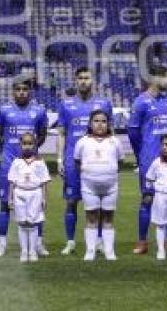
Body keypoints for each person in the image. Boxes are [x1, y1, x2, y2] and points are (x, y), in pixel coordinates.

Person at [55, 67, 113, 255]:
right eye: (80, 78)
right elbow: (62, 134)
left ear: (92, 80)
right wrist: (59, 159)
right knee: (71, 201)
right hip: (73, 162)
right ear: (75, 80)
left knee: (99, 203)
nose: (83, 81)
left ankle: (99, 241)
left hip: (98, 161)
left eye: (86, 78)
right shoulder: (66, 104)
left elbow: (110, 133)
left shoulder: (104, 104)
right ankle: (70, 242)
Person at [0, 80, 48, 257]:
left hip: (32, 164)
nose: (22, 92)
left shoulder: (39, 111)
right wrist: (10, 149)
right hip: (9, 162)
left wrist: (31, 152)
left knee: (37, 206)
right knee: (4, 203)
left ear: (30, 92)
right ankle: (2, 244)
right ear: (13, 91)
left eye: (25, 89)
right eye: (18, 89)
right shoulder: (3, 110)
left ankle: (38, 244)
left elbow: (42, 135)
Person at [128, 65, 167, 255]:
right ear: (155, 78)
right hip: (149, 158)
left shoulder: (166, 102)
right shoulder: (140, 102)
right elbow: (132, 132)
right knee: (148, 198)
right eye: (166, 78)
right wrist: (142, 154)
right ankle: (142, 241)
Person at [73, 109, 124, 261]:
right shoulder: (82, 141)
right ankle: (90, 251)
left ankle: (109, 251)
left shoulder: (115, 141)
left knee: (108, 218)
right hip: (89, 187)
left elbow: (120, 162)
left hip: (110, 187)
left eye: (103, 121)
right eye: (96, 121)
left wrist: (109, 173)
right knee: (91, 217)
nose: (100, 124)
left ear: (108, 124)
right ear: (90, 123)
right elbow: (77, 161)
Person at [7, 132, 51, 263]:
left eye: (30, 143)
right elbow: (12, 181)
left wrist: (44, 198)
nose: (27, 146)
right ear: (20, 145)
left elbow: (44, 181)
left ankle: (32, 251)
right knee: (22, 223)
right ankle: (24, 251)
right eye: (24, 144)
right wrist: (10, 198)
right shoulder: (16, 162)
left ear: (35, 145)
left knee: (32, 223)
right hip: (19, 193)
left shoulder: (40, 162)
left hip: (35, 193)